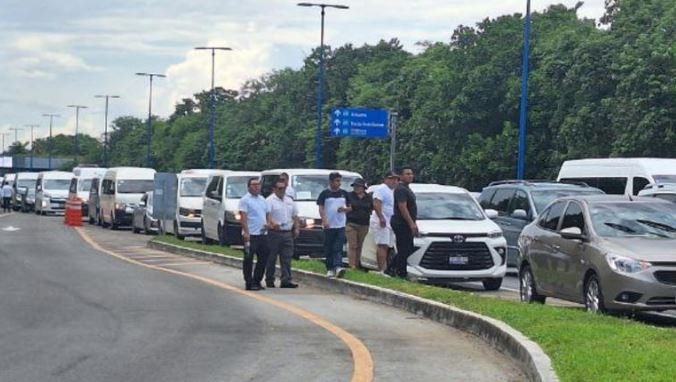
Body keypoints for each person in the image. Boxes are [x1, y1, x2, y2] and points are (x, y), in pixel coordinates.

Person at [265, 180, 300, 288]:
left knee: (287, 257)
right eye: (279, 188)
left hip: (287, 232)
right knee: (271, 257)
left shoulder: (289, 200)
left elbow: (295, 216)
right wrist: (272, 223)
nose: (282, 191)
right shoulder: (269, 200)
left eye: (283, 188)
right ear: (274, 189)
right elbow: (267, 215)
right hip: (274, 232)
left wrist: (297, 228)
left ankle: (286, 280)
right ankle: (269, 279)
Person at [317, 172, 351, 278]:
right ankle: (330, 268)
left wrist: (345, 209)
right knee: (329, 246)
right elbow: (321, 208)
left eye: (340, 181)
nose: (339, 183)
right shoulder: (324, 194)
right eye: (337, 181)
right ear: (331, 181)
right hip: (329, 224)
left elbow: (350, 207)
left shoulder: (344, 193)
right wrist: (324, 220)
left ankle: (338, 266)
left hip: (340, 224)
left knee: (338, 246)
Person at [238, 178, 270, 291]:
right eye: (254, 184)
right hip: (251, 234)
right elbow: (243, 217)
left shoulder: (263, 199)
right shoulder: (245, 200)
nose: (257, 186)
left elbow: (267, 214)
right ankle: (249, 282)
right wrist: (246, 232)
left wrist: (268, 224)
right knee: (248, 259)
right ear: (249, 186)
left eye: (258, 184)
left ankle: (257, 280)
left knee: (263, 258)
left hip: (262, 234)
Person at [387, 167, 418, 278]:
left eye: (411, 173)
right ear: (401, 176)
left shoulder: (407, 189)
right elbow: (402, 207)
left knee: (407, 248)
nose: (410, 176)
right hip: (401, 223)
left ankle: (395, 269)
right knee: (404, 248)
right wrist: (411, 223)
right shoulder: (400, 189)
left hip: (407, 222)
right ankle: (398, 271)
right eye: (407, 174)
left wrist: (414, 222)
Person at [370, 171, 399, 273]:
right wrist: (381, 217)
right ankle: (381, 269)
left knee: (389, 245)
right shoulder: (381, 189)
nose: (394, 181)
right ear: (386, 179)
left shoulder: (393, 191)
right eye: (392, 179)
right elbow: (377, 203)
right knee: (382, 245)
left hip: (390, 222)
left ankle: (386, 268)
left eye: (396, 179)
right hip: (382, 221)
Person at [345, 178, 372, 270]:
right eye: (355, 186)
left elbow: (372, 208)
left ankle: (357, 264)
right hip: (351, 223)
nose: (356, 188)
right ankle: (351, 265)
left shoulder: (368, 197)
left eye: (358, 186)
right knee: (353, 245)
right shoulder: (349, 196)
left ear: (363, 187)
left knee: (360, 245)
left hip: (364, 224)